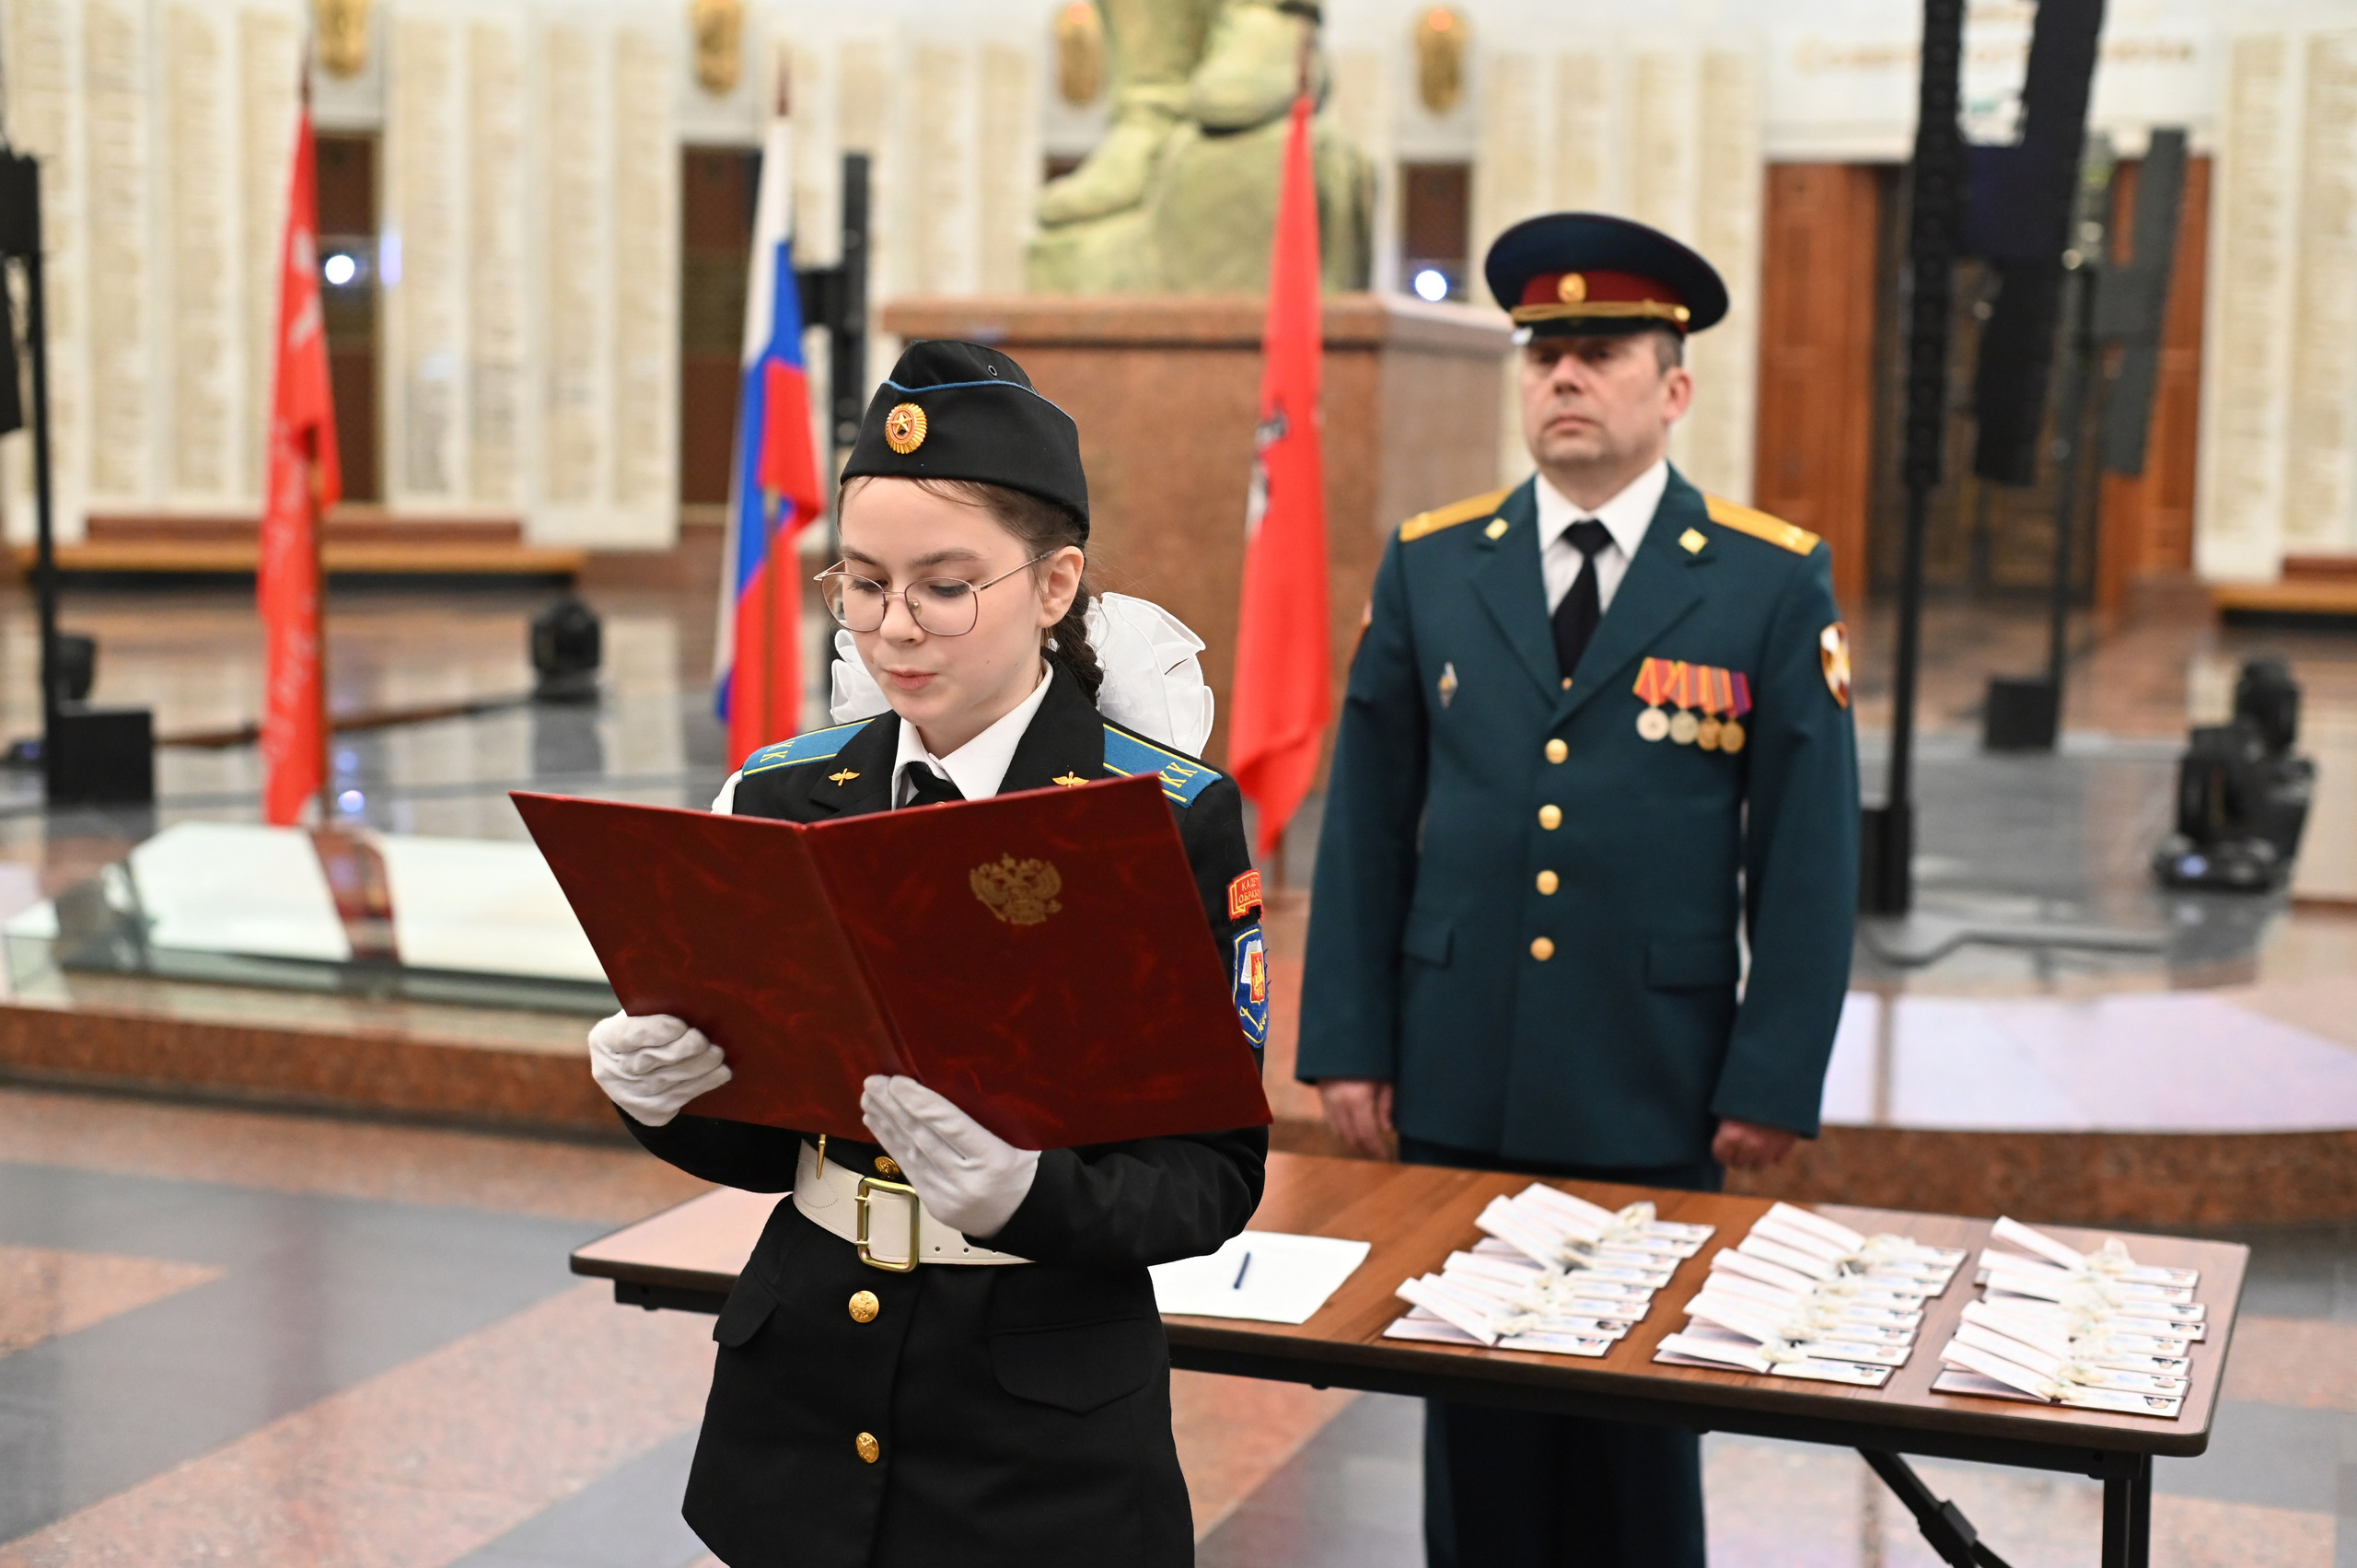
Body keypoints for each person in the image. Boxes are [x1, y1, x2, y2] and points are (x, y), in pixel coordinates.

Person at [586, 340, 1270, 1568]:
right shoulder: (791, 799)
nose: (893, 627)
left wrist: (1030, 1197)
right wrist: (667, 1094)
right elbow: (762, 1136)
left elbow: (1213, 1175)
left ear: (1055, 586)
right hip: (798, 1400)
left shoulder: (1155, 821)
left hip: (1036, 1432)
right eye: (860, 583)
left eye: (945, 587)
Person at [1296, 213, 1860, 1567]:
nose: (1562, 377)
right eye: (1544, 353)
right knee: (1475, 1418)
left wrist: (1772, 1072)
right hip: (1461, 1068)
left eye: (1598, 353)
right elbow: (1366, 823)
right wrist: (1351, 1045)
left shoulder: (1765, 582)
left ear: (1673, 388)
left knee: (1636, 1434)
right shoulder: (1436, 563)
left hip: (1651, 1073)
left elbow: (1807, 849)